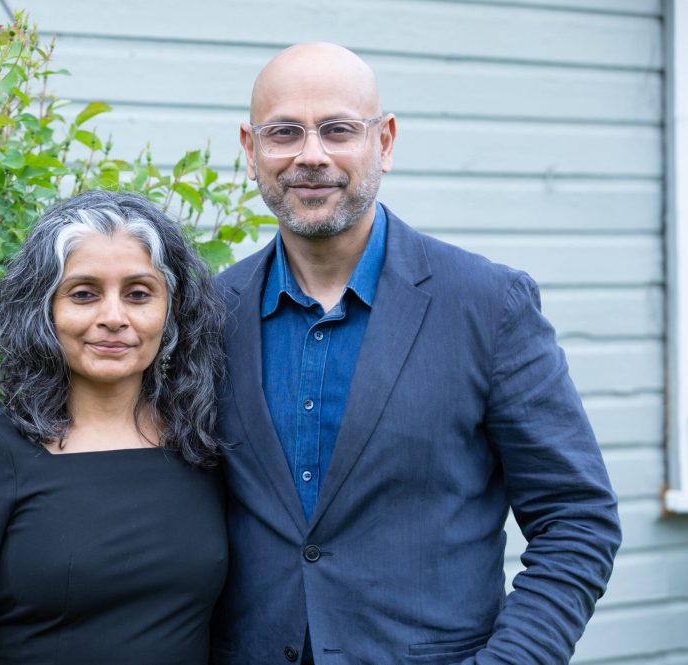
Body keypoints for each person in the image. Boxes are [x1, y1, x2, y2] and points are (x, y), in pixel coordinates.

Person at [210, 43, 621, 664]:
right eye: (284, 132)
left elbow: (577, 521)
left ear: (387, 142)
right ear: (250, 149)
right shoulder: (210, 312)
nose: (311, 154)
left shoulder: (487, 305)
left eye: (339, 130)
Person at [0, 190, 227, 665]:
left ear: (171, 309)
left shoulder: (201, 449)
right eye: (83, 294)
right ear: (45, 310)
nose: (113, 318)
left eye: (138, 294)